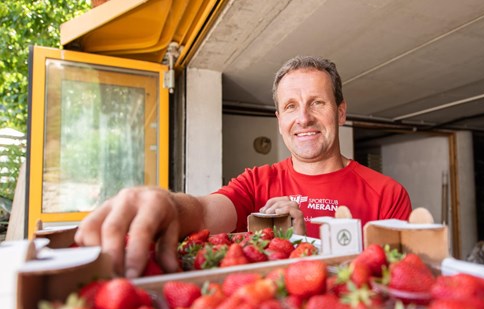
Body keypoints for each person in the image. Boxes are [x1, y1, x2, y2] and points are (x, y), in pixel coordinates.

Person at [75, 56, 412, 277]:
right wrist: (167, 203)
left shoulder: (388, 194)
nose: (304, 118)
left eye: (317, 103)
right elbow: (206, 212)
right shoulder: (256, 182)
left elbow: (394, 280)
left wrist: (303, 245)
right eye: (291, 106)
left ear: (340, 112)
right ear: (280, 120)